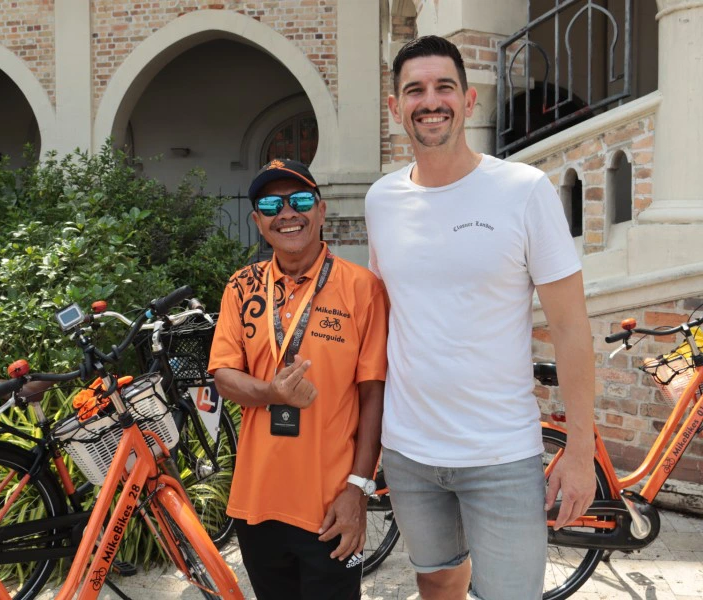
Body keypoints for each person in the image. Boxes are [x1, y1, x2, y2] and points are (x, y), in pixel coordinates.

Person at [364, 36, 596, 600]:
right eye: (414, 90)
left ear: (469, 101)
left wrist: (582, 452)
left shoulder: (523, 190)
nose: (430, 100)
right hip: (410, 451)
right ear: (396, 108)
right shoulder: (381, 200)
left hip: (501, 453)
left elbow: (571, 327)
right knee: (438, 582)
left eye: (444, 86)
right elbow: (384, 320)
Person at [208, 158, 388, 599]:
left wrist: (358, 491)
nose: (287, 213)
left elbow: (374, 397)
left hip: (330, 507)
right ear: (258, 221)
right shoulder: (241, 287)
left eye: (300, 200)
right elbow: (224, 376)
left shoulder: (363, 288)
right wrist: (271, 391)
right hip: (257, 503)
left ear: (321, 211)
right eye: (271, 205)